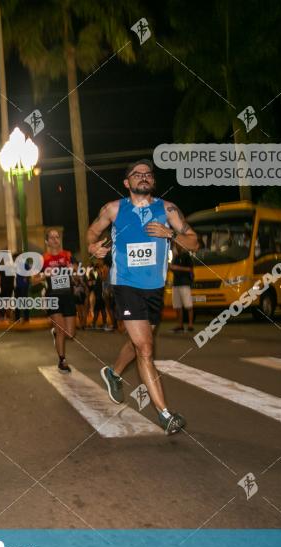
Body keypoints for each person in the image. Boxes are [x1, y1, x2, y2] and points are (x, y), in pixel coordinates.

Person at [91, 159, 198, 434]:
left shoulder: (168, 209)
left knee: (140, 344)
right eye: (136, 174)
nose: (143, 177)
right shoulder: (113, 209)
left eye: (148, 174)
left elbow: (194, 241)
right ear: (127, 183)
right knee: (146, 349)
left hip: (154, 289)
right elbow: (92, 233)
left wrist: (170, 233)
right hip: (125, 285)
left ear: (153, 181)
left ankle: (113, 374)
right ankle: (164, 414)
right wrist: (95, 248)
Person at [35, 228, 76, 373]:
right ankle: (62, 361)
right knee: (61, 330)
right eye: (51, 237)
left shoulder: (68, 255)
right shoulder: (43, 259)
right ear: (47, 241)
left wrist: (73, 271)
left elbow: (77, 277)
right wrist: (46, 274)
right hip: (53, 296)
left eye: (57, 237)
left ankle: (55, 333)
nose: (55, 240)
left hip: (68, 296)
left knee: (70, 333)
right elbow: (32, 279)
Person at [169, 241, 195, 332]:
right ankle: (180, 325)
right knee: (177, 306)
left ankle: (190, 325)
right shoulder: (176, 256)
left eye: (178, 244)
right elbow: (172, 267)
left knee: (188, 305)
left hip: (184, 283)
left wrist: (177, 268)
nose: (176, 246)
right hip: (176, 283)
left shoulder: (186, 256)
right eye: (176, 244)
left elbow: (190, 269)